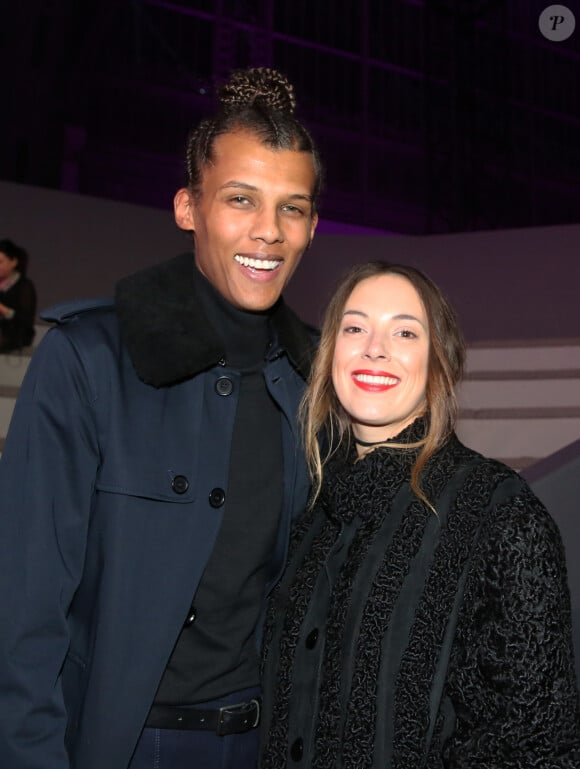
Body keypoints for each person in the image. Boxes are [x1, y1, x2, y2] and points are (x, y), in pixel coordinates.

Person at [0, 68, 321, 769]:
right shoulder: (88, 361)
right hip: (126, 744)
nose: (268, 231)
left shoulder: (315, 386)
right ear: (188, 207)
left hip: (269, 742)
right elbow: (22, 614)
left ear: (311, 226)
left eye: (291, 208)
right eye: (241, 200)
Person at [260, 261, 580, 768]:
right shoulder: (310, 512)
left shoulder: (498, 513)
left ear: (440, 363)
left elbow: (536, 743)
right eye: (355, 327)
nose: (375, 347)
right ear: (329, 355)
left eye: (405, 331)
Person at [0, 238, 37, 351]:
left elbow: (25, 320)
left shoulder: (24, 286)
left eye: (0, 262)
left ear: (14, 262)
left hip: (15, 334)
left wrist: (2, 309)